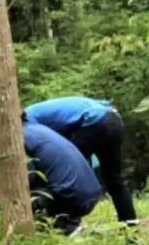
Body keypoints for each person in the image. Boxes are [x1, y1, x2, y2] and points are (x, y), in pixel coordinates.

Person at [24, 96, 138, 224]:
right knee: (114, 179)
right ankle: (130, 224)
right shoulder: (38, 112)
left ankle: (70, 220)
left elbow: (42, 144)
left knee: (71, 170)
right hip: (112, 117)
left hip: (92, 121)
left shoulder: (27, 120)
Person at [22, 121, 104, 233]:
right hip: (92, 194)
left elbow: (27, 178)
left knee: (22, 194)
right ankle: (70, 221)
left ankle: (66, 226)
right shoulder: (37, 128)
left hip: (72, 198)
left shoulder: (18, 139)